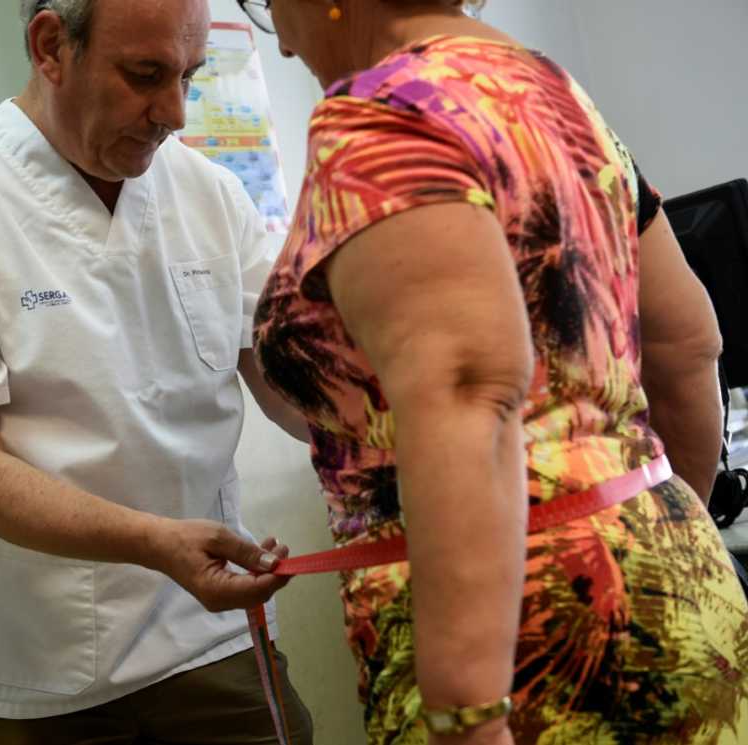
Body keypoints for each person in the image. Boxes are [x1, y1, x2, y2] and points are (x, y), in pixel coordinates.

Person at [241, 0, 748, 742]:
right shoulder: (552, 93)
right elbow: (689, 340)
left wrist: (464, 707)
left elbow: (466, 390)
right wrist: (647, 539)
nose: (280, 41)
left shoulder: (379, 114)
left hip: (517, 648)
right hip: (681, 594)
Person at [0, 0, 313, 742]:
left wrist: (411, 425)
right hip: (35, 659)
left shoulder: (210, 196)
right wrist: (156, 543)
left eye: (188, 76)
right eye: (145, 74)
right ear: (50, 46)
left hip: (206, 631)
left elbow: (291, 386)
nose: (174, 112)